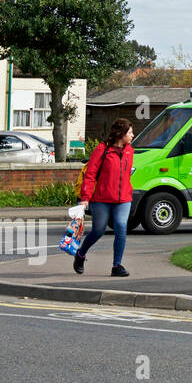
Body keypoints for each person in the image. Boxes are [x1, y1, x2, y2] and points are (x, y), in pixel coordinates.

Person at [73, 118, 135, 276]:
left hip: (123, 199)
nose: (132, 135)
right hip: (102, 199)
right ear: (120, 134)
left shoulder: (130, 150)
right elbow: (90, 174)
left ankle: (117, 266)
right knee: (98, 230)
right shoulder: (103, 149)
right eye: (129, 133)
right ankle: (81, 254)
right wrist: (85, 198)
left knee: (121, 226)